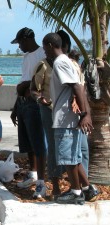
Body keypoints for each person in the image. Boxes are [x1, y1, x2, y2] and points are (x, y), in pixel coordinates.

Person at [43, 32, 94, 204]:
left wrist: (85, 115)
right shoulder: (65, 61)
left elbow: (77, 88)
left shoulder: (60, 62)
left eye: (45, 47)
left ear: (50, 45)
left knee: (68, 158)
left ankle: (76, 192)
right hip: (68, 117)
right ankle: (87, 188)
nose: (44, 52)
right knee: (74, 156)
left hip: (65, 118)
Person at [10, 27, 47, 199]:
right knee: (28, 143)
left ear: (27, 39)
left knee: (39, 144)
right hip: (23, 103)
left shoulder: (42, 53)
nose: (19, 47)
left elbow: (39, 78)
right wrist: (16, 106)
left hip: (34, 104)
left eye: (20, 43)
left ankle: (41, 182)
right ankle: (32, 174)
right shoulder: (26, 58)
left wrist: (25, 86)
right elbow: (23, 78)